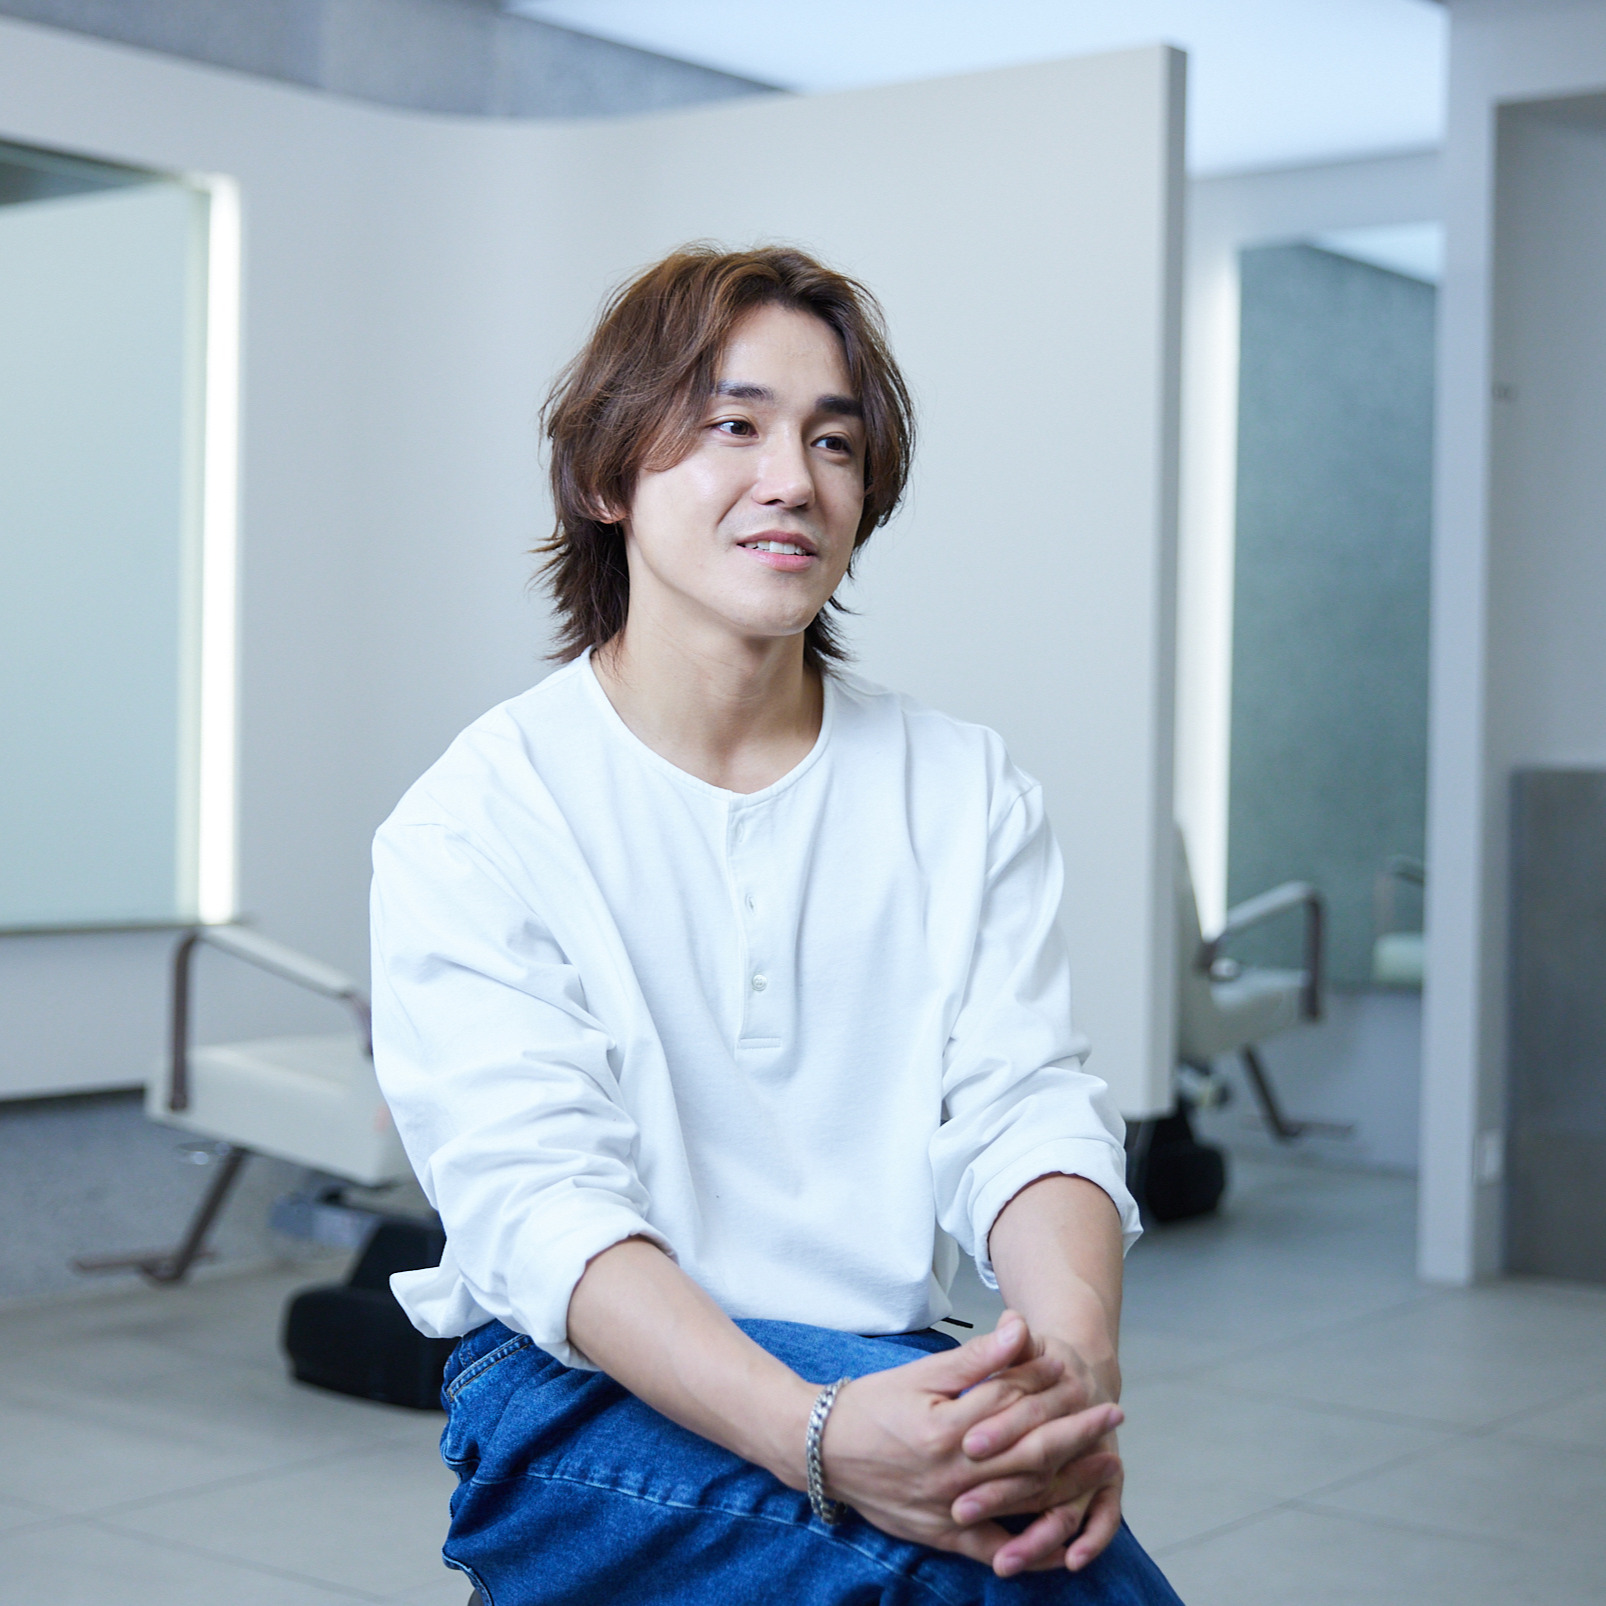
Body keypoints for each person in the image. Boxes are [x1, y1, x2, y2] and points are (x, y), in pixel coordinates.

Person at [370, 244, 1183, 1606]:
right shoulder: (480, 816)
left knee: (1035, 1536)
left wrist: (1066, 1378)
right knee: (1021, 1582)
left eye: (833, 441)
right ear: (606, 475)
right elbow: (542, 1209)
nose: (792, 479)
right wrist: (821, 1437)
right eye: (731, 427)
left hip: (876, 1350)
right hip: (570, 1393)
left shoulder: (961, 787)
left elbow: (1022, 1107)